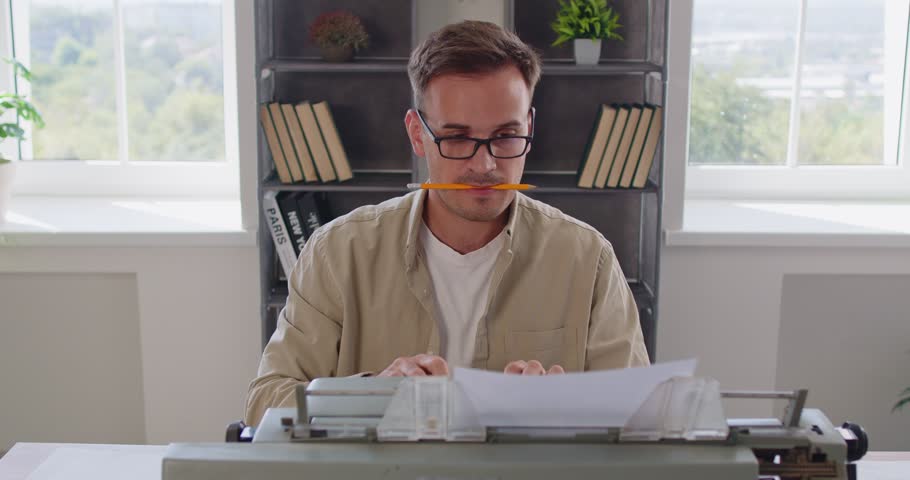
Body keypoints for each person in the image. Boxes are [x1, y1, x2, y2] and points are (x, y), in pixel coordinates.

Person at [245, 20, 649, 426]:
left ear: (529, 127)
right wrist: (369, 395)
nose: (485, 164)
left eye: (506, 136)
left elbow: (639, 416)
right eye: (456, 138)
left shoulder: (587, 259)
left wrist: (563, 409)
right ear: (417, 135)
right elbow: (265, 403)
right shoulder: (337, 252)